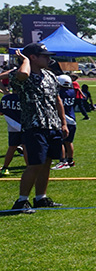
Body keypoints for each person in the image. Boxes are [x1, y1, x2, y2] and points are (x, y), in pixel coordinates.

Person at [7, 45, 67, 212]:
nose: (49, 59)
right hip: (34, 126)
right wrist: (25, 60)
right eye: (44, 56)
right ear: (33, 57)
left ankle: (41, 198)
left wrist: (63, 123)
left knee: (46, 163)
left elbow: (57, 99)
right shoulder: (20, 74)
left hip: (52, 125)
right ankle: (22, 201)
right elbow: (23, 75)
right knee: (35, 164)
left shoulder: (50, 75)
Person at [53, 74, 77, 169]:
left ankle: (62, 161)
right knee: (69, 142)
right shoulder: (72, 91)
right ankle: (70, 160)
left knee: (61, 141)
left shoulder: (60, 93)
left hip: (63, 119)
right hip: (72, 119)